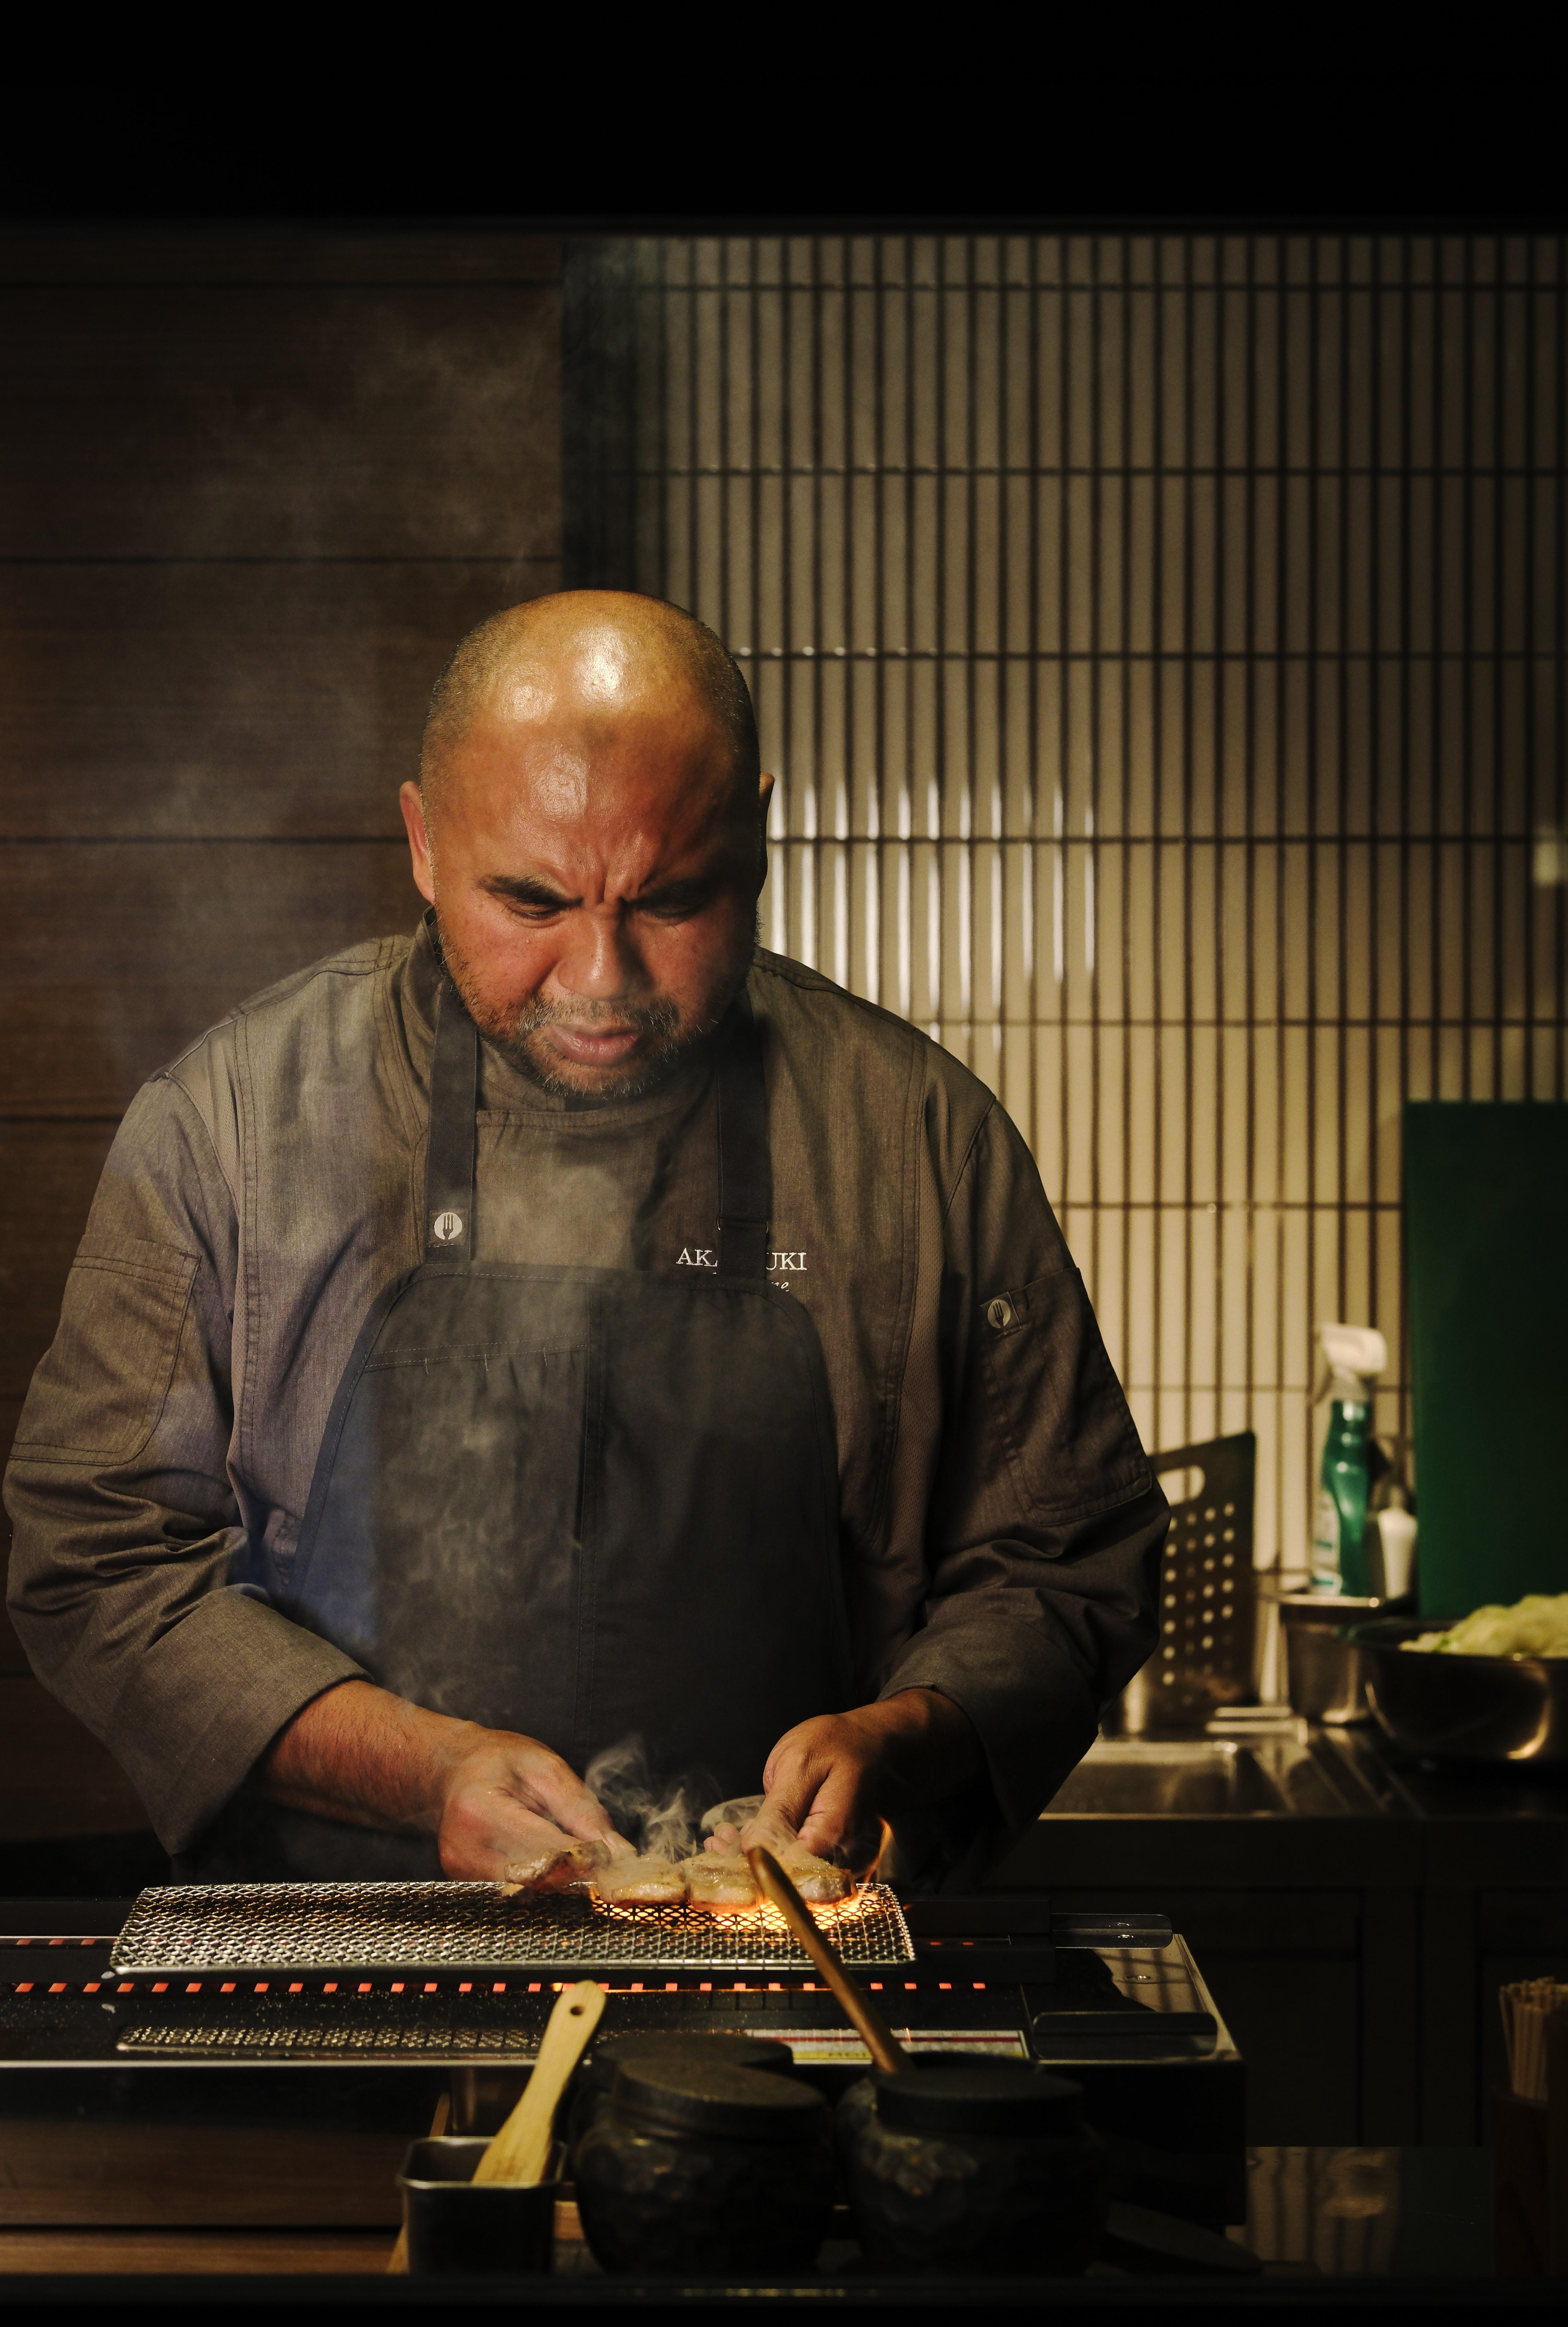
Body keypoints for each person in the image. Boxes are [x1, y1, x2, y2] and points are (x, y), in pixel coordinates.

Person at [5, 592, 1167, 1890]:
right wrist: (416, 1768)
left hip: (774, 1965)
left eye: (669, 900)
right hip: (338, 1958)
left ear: (757, 838)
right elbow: (95, 1551)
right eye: (532, 901)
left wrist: (909, 1734)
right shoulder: (233, 1123)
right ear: (425, 843)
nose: (601, 980)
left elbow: (1066, 1559)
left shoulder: (913, 1140)